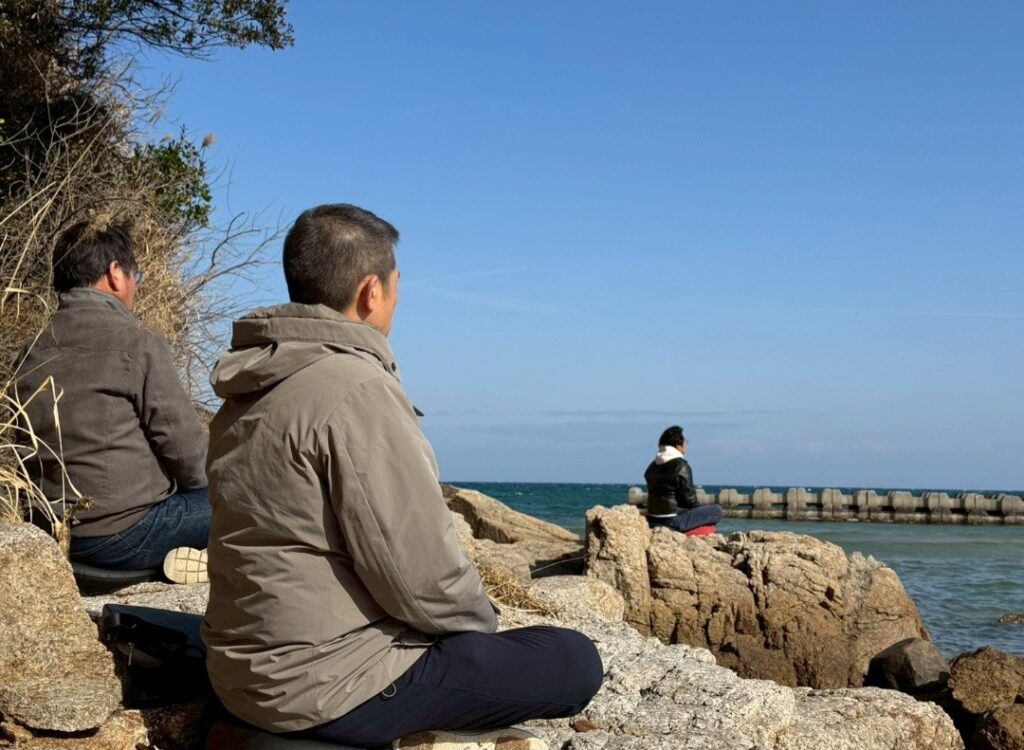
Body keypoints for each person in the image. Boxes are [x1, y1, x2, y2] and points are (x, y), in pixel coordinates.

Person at [201, 203, 603, 749]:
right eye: (396, 287)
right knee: (573, 659)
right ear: (372, 292)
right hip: (325, 689)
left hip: (239, 674)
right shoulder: (354, 387)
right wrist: (478, 630)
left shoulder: (248, 386)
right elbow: (418, 575)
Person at [11, 222, 210, 582]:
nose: (135, 285)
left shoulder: (32, 350)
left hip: (50, 534)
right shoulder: (137, 342)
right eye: (137, 274)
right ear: (115, 273)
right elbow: (189, 456)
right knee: (249, 496)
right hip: (123, 537)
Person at [643, 425, 723, 533]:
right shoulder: (681, 466)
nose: (686, 445)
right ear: (678, 446)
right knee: (716, 511)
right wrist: (700, 511)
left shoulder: (652, 466)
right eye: (686, 442)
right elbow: (690, 501)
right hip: (672, 521)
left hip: (652, 519)